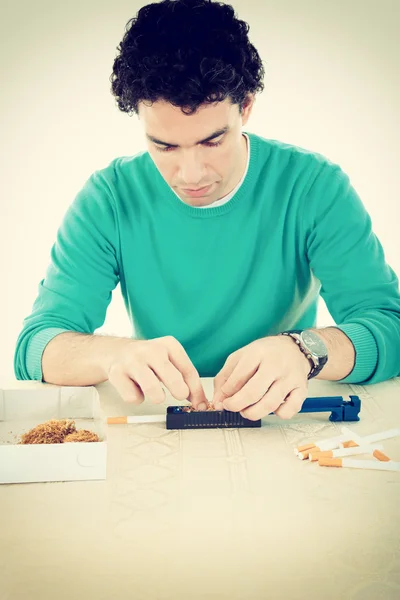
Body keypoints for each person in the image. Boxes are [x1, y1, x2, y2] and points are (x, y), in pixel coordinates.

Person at [14, 0, 400, 421]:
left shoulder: (313, 186)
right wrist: (114, 355)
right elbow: (35, 346)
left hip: (279, 422)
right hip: (161, 423)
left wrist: (307, 350)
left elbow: (389, 325)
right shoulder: (109, 197)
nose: (190, 174)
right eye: (164, 146)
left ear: (246, 107)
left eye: (212, 141)